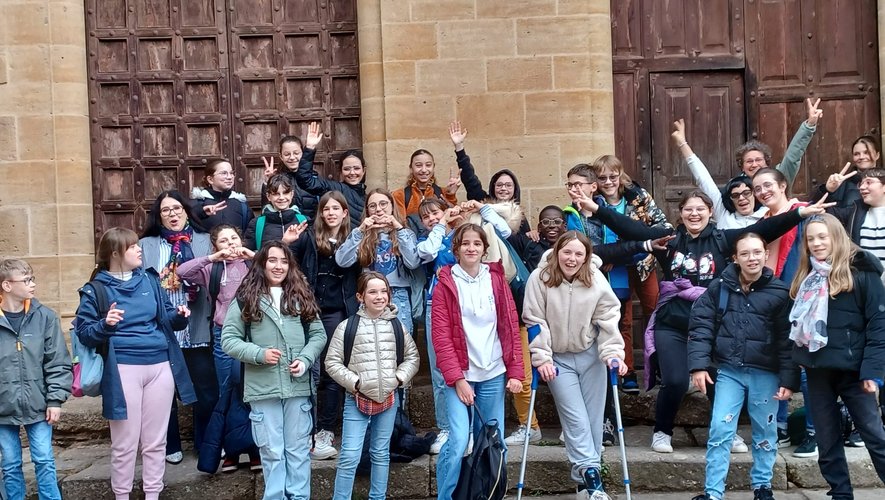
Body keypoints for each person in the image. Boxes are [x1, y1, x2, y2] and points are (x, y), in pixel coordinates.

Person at [578, 189, 831, 454]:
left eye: (700, 209)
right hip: (672, 323)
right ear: (681, 213)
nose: (694, 214)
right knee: (676, 381)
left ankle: (726, 430)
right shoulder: (669, 239)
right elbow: (631, 229)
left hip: (713, 326)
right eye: (688, 209)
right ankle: (662, 431)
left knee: (716, 379)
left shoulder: (724, 240)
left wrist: (799, 213)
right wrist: (596, 209)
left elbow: (762, 229)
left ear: (710, 212)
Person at [75, 227, 196, 500]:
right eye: (132, 247)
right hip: (123, 368)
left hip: (160, 365)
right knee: (125, 443)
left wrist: (180, 316)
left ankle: (153, 495)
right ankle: (122, 496)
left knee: (156, 442)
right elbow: (84, 333)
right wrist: (105, 324)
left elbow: (166, 317)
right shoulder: (95, 289)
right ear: (115, 253)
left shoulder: (149, 280)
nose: (139, 249)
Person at [687, 233, 798, 500]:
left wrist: (788, 379)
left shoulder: (780, 293)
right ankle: (713, 492)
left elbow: (788, 339)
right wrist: (698, 366)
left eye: (757, 252)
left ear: (766, 254)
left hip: (766, 373)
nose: (752, 258)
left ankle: (762, 486)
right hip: (729, 371)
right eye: (745, 253)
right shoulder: (719, 287)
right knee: (720, 429)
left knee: (765, 431)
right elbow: (702, 325)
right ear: (735, 258)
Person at [522, 231, 627, 500]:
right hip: (558, 359)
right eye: (567, 252)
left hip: (591, 356)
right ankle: (593, 478)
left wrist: (613, 352)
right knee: (575, 419)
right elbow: (534, 321)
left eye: (579, 254)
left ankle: (583, 485)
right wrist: (542, 357)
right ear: (557, 252)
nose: (572, 258)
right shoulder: (540, 278)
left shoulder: (595, 278)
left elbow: (608, 316)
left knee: (593, 420)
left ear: (586, 256)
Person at [788, 213, 885, 499]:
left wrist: (873, 372)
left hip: (854, 372)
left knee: (874, 435)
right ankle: (840, 493)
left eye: (823, 237)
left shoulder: (862, 273)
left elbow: (878, 324)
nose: (817, 243)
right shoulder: (806, 277)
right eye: (811, 239)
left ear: (837, 237)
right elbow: (794, 329)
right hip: (817, 369)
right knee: (826, 439)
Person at [221, 241, 327, 500]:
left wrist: (305, 359)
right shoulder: (246, 298)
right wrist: (259, 354)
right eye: (272, 260)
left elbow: (318, 334)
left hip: (296, 386)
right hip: (263, 387)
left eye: (284, 261)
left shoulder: (300, 295)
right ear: (262, 263)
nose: (278, 266)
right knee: (271, 450)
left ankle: (299, 497)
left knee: (298, 449)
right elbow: (229, 340)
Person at [430, 223, 524, 500]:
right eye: (465, 243)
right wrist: (458, 379)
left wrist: (515, 372)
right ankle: (446, 496)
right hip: (460, 373)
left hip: (493, 371)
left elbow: (510, 325)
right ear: (456, 249)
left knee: (492, 440)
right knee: (459, 440)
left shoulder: (496, 279)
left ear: (484, 249)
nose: (471, 248)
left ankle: (487, 494)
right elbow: (441, 337)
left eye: (477, 243)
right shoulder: (446, 282)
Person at [415, 197, 514, 454]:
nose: (432, 218)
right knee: (442, 372)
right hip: (440, 304)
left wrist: (478, 210)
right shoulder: (435, 239)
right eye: (426, 217)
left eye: (436, 212)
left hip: (474, 306)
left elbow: (504, 231)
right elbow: (426, 252)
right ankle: (448, 428)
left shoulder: (467, 235)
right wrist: (442, 224)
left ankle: (471, 433)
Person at [325, 271, 420, 500]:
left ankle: (378, 497)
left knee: (380, 452)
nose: (379, 297)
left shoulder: (397, 326)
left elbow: (412, 357)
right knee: (349, 455)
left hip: (388, 398)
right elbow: (332, 362)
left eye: (384, 291)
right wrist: (355, 382)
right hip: (356, 399)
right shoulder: (347, 327)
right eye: (372, 292)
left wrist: (398, 379)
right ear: (360, 296)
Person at [175, 224, 260, 472]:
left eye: (234, 238)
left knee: (253, 389)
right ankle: (232, 449)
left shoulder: (252, 264)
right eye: (224, 241)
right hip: (224, 333)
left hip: (255, 334)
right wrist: (212, 258)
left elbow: (278, 267)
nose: (231, 244)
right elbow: (182, 271)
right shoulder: (212, 269)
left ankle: (254, 448)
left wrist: (252, 255)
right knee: (227, 390)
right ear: (215, 245)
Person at [139, 190, 215, 465]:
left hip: (197, 322)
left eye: (177, 209)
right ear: (158, 216)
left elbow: (216, 275)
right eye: (166, 210)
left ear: (186, 211)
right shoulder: (145, 245)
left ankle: (205, 443)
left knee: (205, 390)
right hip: (162, 326)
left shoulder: (205, 240)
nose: (172, 214)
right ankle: (169, 444)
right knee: (162, 392)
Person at [590, 154, 672, 395]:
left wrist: (643, 239)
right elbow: (592, 239)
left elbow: (662, 225)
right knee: (621, 320)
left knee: (655, 313)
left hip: (644, 263)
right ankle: (627, 372)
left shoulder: (637, 196)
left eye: (612, 176)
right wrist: (609, 257)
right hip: (615, 268)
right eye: (602, 178)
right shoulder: (593, 203)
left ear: (620, 175)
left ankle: (660, 367)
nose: (608, 182)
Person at [673, 98, 822, 228]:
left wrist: (809, 125)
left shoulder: (769, 210)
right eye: (749, 161)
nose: (754, 164)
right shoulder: (728, 207)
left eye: (759, 160)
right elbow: (704, 179)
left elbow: (792, 157)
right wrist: (682, 144)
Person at [290, 191, 361, 460]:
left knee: (332, 370)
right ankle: (303, 429)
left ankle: (325, 430)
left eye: (335, 209)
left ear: (345, 213)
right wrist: (287, 242)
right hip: (308, 310)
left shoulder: (353, 238)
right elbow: (287, 262)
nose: (330, 213)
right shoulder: (309, 236)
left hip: (337, 311)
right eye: (326, 209)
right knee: (308, 370)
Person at [0, 259, 71, 500]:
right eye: (26, 280)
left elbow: (57, 361)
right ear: (7, 285)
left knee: (44, 460)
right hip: (2, 407)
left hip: (39, 404)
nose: (33, 284)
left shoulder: (45, 317)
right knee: (10, 464)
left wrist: (55, 400)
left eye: (32, 279)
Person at [335, 188, 422, 341]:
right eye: (373, 206)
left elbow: (413, 262)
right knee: (370, 343)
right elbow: (342, 260)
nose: (378, 209)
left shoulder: (405, 233)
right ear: (367, 210)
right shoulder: (363, 235)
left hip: (397, 294)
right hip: (370, 295)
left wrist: (398, 228)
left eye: (383, 204)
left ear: (392, 206)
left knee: (400, 342)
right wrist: (360, 231)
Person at [451, 120, 532, 234]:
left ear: (515, 189)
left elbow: (523, 241)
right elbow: (470, 179)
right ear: (493, 187)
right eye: (499, 185)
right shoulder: (481, 201)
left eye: (508, 185)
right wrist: (459, 147)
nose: (503, 188)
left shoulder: (519, 216)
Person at [295, 122, 367, 229]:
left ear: (363, 170)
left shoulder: (368, 197)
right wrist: (309, 148)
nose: (352, 173)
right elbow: (306, 180)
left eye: (356, 168)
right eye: (347, 169)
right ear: (341, 171)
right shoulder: (335, 188)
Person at [244, 173, 309, 251]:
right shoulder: (257, 224)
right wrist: (284, 243)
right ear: (268, 196)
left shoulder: (304, 221)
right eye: (276, 194)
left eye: (285, 193)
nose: (281, 197)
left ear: (292, 194)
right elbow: (248, 254)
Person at [261, 135, 318, 221]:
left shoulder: (313, 179)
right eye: (287, 154)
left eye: (296, 153)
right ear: (281, 156)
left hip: (310, 227)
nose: (292, 157)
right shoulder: (277, 179)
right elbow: (266, 210)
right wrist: (270, 182)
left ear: (303, 154)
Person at [814, 135, 882, 207]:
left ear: (877, 155)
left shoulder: (883, 180)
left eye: (866, 152)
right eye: (856, 154)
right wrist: (827, 190)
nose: (861, 157)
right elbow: (816, 207)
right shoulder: (843, 183)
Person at [190, 159, 254, 234]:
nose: (230, 177)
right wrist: (200, 213)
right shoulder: (197, 204)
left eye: (231, 173)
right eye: (224, 173)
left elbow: (249, 234)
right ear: (210, 179)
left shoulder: (242, 205)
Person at [391, 148, 459, 217]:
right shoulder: (399, 195)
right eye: (418, 165)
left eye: (428, 165)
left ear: (433, 167)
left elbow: (453, 218)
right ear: (411, 168)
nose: (424, 170)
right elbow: (400, 221)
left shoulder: (443, 193)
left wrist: (451, 195)